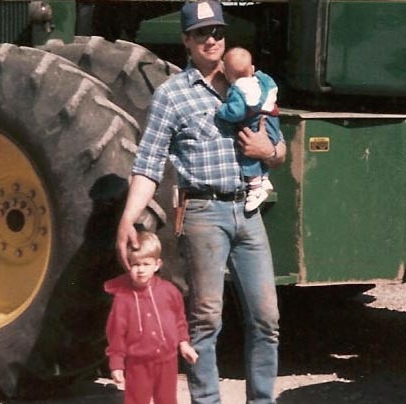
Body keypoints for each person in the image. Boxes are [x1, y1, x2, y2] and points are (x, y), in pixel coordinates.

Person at [115, 1, 285, 402]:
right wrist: (128, 218)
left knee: (267, 319)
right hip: (203, 213)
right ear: (186, 41)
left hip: (248, 209)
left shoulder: (252, 84)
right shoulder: (172, 96)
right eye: (202, 33)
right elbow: (148, 164)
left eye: (218, 32)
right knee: (206, 319)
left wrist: (268, 151)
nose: (212, 39)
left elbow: (279, 152)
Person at [105, 231, 199, 404]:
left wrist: (184, 343)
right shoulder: (123, 299)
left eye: (146, 264)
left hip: (167, 362)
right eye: (135, 264)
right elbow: (116, 333)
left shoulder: (169, 292)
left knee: (167, 400)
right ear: (129, 266)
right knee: (136, 400)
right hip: (138, 364)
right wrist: (116, 364)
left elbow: (179, 319)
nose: (140, 270)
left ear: (157, 265)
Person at [216, 47, 282, 212]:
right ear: (252, 68)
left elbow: (236, 112)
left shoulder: (238, 89)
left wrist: (221, 111)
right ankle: (264, 179)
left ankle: (255, 188)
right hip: (272, 120)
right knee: (263, 147)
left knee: (248, 152)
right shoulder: (262, 79)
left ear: (226, 74)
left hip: (254, 126)